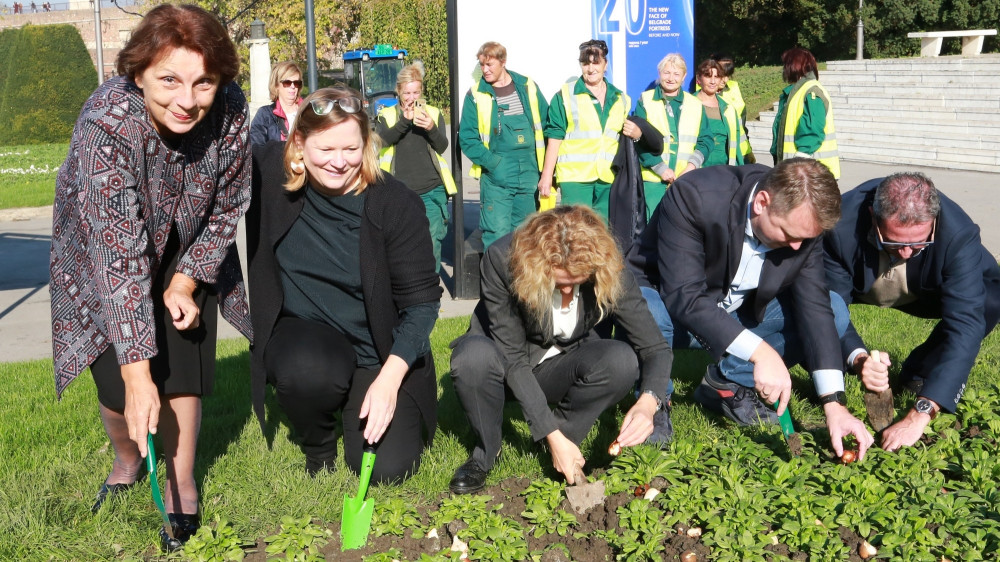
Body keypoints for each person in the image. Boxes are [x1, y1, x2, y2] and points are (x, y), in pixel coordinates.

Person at [49, 4, 251, 551]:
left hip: (187, 244)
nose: (187, 100)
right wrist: (138, 376)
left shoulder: (230, 108)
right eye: (169, 80)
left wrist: (185, 279)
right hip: (105, 248)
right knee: (119, 388)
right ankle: (126, 459)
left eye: (203, 82)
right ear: (138, 71)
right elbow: (118, 256)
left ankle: (181, 482)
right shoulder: (106, 122)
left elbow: (230, 199)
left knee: (181, 361)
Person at [247, 86, 442, 483]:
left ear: (366, 144)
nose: (339, 163)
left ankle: (364, 391)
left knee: (387, 470)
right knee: (306, 370)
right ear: (299, 144)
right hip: (309, 337)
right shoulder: (269, 175)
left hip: (380, 351)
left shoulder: (397, 203)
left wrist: (390, 380)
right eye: (326, 150)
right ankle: (318, 444)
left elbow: (422, 303)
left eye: (351, 150)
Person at [627, 159, 874, 460]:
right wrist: (762, 353)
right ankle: (654, 401)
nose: (797, 248)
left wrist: (834, 404)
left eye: (805, 240)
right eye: (789, 235)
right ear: (761, 202)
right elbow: (685, 297)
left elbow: (816, 307)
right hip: (669, 306)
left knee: (834, 308)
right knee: (646, 305)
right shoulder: (695, 195)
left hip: (736, 311)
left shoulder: (801, 227)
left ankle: (727, 384)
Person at [448, 205, 674, 494]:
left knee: (621, 360)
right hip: (502, 366)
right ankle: (486, 453)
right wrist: (550, 433)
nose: (567, 293)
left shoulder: (608, 263)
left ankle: (560, 442)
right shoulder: (501, 259)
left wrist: (648, 402)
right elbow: (513, 359)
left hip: (560, 365)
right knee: (472, 357)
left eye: (576, 284)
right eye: (559, 284)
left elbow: (654, 347)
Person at [823, 172, 1000, 451]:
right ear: (872, 216)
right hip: (862, 284)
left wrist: (921, 413)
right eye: (895, 242)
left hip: (926, 291)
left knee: (991, 300)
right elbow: (825, 308)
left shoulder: (958, 232)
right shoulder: (838, 225)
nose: (906, 253)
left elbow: (966, 325)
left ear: (934, 222)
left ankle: (919, 373)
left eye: (918, 243)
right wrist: (858, 359)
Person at [539, 39, 643, 221]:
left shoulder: (621, 99)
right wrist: (547, 176)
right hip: (575, 178)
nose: (591, 68)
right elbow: (554, 137)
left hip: (607, 178)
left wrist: (638, 134)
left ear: (606, 64)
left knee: (602, 231)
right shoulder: (565, 95)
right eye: (585, 63)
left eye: (596, 62)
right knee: (574, 230)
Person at [458, 41, 549, 248]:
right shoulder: (476, 95)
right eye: (482, 65)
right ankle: (496, 281)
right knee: (497, 237)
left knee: (527, 237)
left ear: (503, 62)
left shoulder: (528, 87)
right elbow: (467, 138)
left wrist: (545, 171)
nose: (485, 70)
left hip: (528, 174)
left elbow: (547, 125)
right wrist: (494, 164)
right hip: (497, 177)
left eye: (489, 65)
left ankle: (521, 281)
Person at [376, 62, 455, 272]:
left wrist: (430, 128)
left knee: (431, 245)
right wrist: (404, 122)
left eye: (416, 92)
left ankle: (431, 297)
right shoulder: (387, 115)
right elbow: (381, 142)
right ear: (399, 91)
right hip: (399, 192)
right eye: (407, 93)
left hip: (431, 190)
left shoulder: (433, 113)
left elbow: (442, 146)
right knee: (401, 245)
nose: (412, 98)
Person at [634, 53, 712, 219]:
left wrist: (690, 167)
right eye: (667, 73)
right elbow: (639, 141)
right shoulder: (645, 100)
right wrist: (661, 169)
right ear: (659, 73)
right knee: (653, 231)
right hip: (654, 182)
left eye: (676, 74)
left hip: (687, 180)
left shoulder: (696, 104)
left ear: (684, 77)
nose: (671, 78)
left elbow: (706, 140)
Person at [771, 47, 840, 179]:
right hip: (801, 170)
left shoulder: (811, 90)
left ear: (794, 65)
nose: (784, 69)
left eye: (786, 64)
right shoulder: (798, 90)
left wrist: (799, 160)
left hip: (808, 173)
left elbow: (813, 128)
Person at [693, 58, 752, 168]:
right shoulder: (688, 105)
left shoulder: (729, 109)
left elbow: (736, 145)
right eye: (708, 76)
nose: (713, 81)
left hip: (725, 173)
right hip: (696, 173)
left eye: (717, 77)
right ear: (699, 78)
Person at [249, 61, 303, 145]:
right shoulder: (264, 115)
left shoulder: (308, 111)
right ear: (276, 85)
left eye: (296, 83)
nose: (293, 86)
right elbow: (257, 149)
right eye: (287, 82)